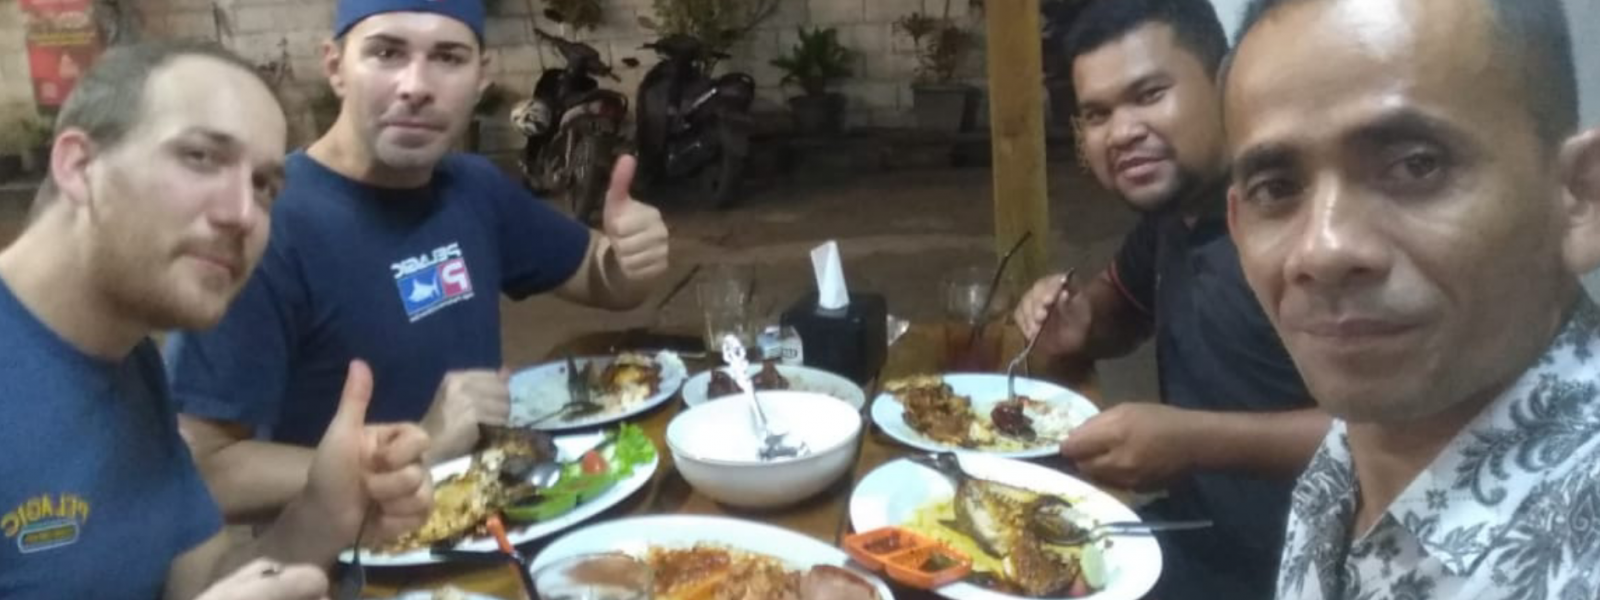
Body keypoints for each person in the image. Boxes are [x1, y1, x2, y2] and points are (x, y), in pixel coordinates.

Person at [164, 0, 672, 521]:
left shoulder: (473, 188)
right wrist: (415, 451)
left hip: (492, 517)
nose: (416, 86)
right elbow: (203, 471)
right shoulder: (263, 228)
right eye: (386, 53)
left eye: (448, 58)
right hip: (348, 552)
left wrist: (630, 259)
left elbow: (599, 277)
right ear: (335, 66)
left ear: (481, 78)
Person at [0, 41, 432, 598]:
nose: (242, 214)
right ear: (80, 167)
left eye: (264, 186)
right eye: (200, 157)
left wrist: (323, 516)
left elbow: (199, 582)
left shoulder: (132, 360)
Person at [1224, 0, 1600, 597]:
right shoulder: (1364, 443)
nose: (1323, 250)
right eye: (1277, 188)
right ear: (1238, 225)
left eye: (1415, 166)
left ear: (1580, 197)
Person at [1011, 0, 1330, 597]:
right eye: (1098, 113)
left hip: (1304, 574)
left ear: (1226, 84)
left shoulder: (1304, 231)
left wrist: (1194, 442)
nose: (1122, 132)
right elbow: (1121, 303)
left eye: (1150, 94)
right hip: (1195, 535)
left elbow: (1399, 433)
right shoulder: (1173, 218)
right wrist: (1081, 320)